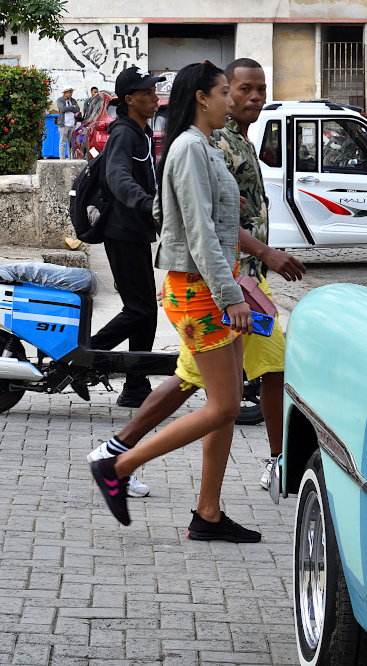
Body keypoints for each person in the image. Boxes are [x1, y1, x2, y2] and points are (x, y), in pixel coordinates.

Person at [88, 59, 306, 507]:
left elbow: (202, 221)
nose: (239, 99)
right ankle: (117, 464)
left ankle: (207, 512)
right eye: (228, 90)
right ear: (203, 98)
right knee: (224, 405)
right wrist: (234, 293)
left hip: (222, 286)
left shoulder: (204, 146)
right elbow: (203, 232)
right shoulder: (192, 148)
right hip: (205, 289)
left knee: (214, 399)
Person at [88, 65, 163, 410]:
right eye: (147, 93)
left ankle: (135, 384)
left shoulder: (141, 132)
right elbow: (117, 177)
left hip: (136, 231)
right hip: (122, 231)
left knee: (146, 312)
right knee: (139, 309)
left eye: (154, 92)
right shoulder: (124, 133)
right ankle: (86, 354)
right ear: (130, 100)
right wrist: (147, 204)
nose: (154, 98)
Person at [56, 86, 81, 159]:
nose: (71, 94)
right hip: (63, 124)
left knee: (71, 143)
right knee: (62, 143)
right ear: (65, 93)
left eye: (71, 92)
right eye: (69, 92)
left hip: (72, 124)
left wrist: (71, 108)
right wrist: (72, 107)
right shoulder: (60, 100)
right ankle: (62, 158)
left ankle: (71, 158)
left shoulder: (73, 100)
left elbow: (77, 109)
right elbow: (63, 109)